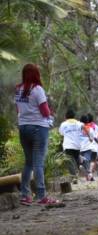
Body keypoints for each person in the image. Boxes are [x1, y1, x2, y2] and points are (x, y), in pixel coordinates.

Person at [15, 64, 59, 205]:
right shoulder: (37, 89)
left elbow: (18, 109)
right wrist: (51, 114)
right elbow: (45, 111)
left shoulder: (18, 89)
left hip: (23, 127)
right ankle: (41, 196)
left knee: (28, 163)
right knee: (38, 163)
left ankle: (25, 195)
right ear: (36, 74)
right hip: (38, 128)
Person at [59, 109, 83, 177]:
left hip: (68, 145)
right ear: (74, 116)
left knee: (70, 160)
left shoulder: (63, 124)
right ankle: (76, 172)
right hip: (77, 145)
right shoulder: (79, 123)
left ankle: (73, 175)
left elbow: (61, 134)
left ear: (66, 116)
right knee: (76, 159)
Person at [80, 115, 96, 181]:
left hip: (80, 148)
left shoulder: (79, 129)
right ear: (87, 121)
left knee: (85, 162)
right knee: (87, 161)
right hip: (88, 147)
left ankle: (88, 176)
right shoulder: (90, 129)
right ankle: (89, 174)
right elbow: (92, 139)